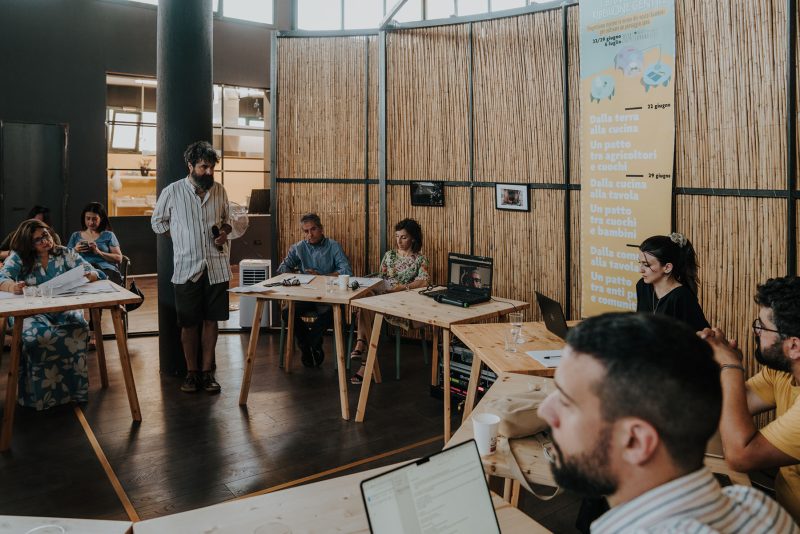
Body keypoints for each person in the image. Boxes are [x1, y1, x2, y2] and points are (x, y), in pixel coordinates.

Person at [537, 312, 797, 533]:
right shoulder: (760, 509)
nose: (544, 411)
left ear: (636, 441)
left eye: (567, 401)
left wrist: (729, 366)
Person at [701, 276, 800, 523]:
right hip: (785, 512)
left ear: (794, 346)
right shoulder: (782, 371)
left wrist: (731, 366)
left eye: (762, 327)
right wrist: (718, 364)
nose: (756, 330)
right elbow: (734, 403)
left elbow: (740, 455)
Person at [151, 141, 231, 394]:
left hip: (217, 267)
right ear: (190, 166)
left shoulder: (219, 191)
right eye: (203, 167)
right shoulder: (172, 191)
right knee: (189, 324)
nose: (208, 172)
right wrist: (181, 238)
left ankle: (207, 373)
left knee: (211, 321)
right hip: (186, 268)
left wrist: (225, 232)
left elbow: (229, 221)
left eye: (211, 168)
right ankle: (192, 373)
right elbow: (157, 222)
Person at [0, 219, 105, 410]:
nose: (44, 241)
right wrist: (13, 287)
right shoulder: (18, 257)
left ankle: (75, 392)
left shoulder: (65, 252)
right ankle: (39, 396)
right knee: (41, 336)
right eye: (37, 240)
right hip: (30, 312)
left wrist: (89, 275)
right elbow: (2, 277)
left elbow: (92, 270)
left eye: (46, 235)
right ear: (27, 243)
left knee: (79, 329)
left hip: (63, 308)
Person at [350, 218, 430, 384]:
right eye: (397, 236)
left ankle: (362, 349)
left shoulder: (420, 259)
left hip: (401, 304)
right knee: (366, 301)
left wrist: (402, 287)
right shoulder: (389, 255)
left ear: (413, 238)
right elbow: (381, 276)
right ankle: (363, 352)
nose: (399, 241)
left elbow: (424, 281)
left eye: (404, 237)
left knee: (366, 309)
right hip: (383, 296)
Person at [277, 212, 352, 367]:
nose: (310, 234)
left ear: (321, 229)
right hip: (306, 295)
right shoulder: (298, 247)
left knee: (332, 313)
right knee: (286, 312)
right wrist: (295, 273)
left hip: (328, 296)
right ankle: (309, 345)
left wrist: (322, 276)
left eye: (313, 229)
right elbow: (283, 268)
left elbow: (346, 271)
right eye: (306, 231)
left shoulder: (333, 246)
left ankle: (309, 343)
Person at [635, 232, 709, 332]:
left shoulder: (682, 296)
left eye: (647, 265)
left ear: (667, 267)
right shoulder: (642, 285)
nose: (640, 270)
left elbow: (701, 336)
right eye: (640, 263)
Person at [67, 202, 124, 285]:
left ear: (101, 218)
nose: (91, 222)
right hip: (83, 269)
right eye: (88, 218)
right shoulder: (75, 236)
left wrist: (99, 252)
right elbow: (66, 258)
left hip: (105, 269)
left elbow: (119, 258)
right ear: (84, 218)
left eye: (94, 219)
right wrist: (75, 250)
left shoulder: (108, 235)